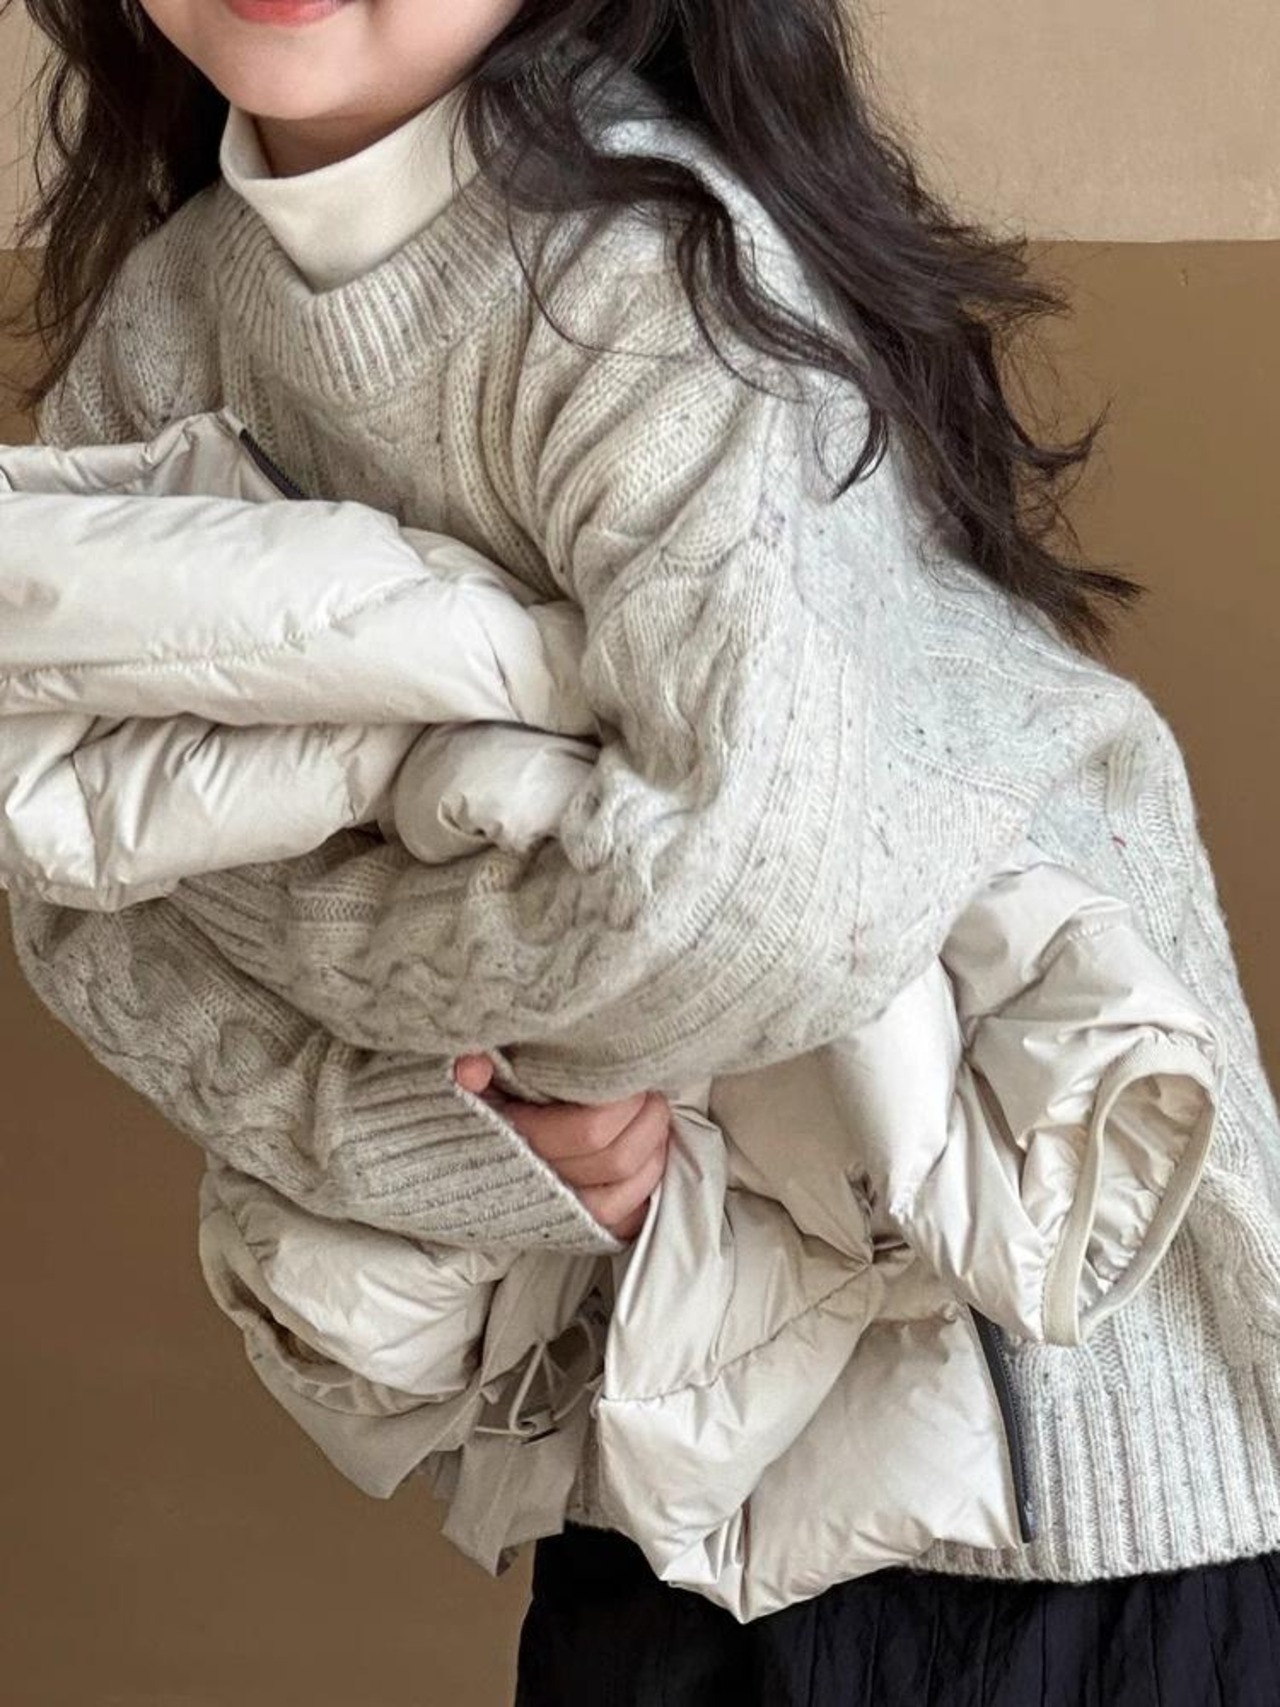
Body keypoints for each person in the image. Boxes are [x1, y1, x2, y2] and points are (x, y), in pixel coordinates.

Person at [3, 1, 1279, 1701]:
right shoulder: (162, 334)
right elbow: (89, 918)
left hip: (1032, 1451)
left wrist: (365, 971)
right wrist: (448, 1132)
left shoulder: (635, 268)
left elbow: (753, 901)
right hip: (667, 1461)